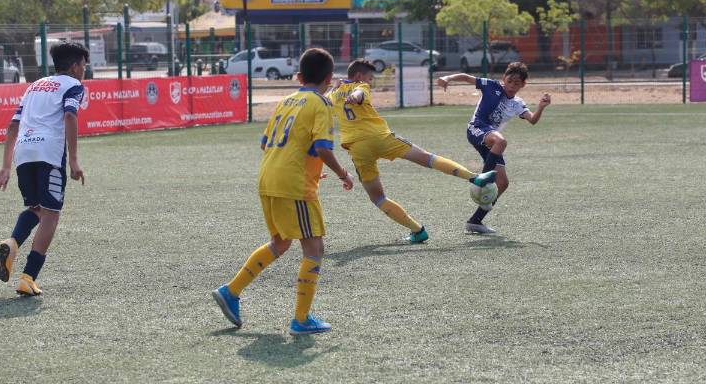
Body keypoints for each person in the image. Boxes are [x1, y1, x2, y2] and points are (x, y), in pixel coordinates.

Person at [212, 48, 354, 335]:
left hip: (268, 178)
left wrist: (309, 166)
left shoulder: (285, 100)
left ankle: (231, 291)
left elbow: (266, 144)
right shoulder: (322, 104)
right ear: (329, 79)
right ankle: (301, 320)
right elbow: (324, 148)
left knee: (280, 242)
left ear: (300, 76)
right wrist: (343, 174)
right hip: (293, 185)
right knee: (314, 248)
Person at [329, 59, 497, 244]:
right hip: (380, 138)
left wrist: (335, 88)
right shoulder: (360, 86)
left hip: (357, 148)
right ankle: (474, 177)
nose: (369, 82)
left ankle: (417, 231)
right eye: (370, 78)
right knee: (427, 158)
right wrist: (357, 95)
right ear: (360, 76)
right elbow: (360, 93)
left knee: (378, 198)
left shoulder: (335, 93)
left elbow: (327, 101)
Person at [0, 42, 87, 296]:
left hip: (24, 151)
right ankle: (28, 277)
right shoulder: (74, 86)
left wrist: (5, 166)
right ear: (74, 66)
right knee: (51, 214)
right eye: (83, 65)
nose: (84, 71)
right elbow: (70, 116)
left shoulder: (34, 86)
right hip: (50, 152)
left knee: (35, 208)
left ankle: (12, 243)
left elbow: (13, 126)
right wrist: (74, 160)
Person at [437, 62, 551, 234]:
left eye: (517, 83)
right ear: (503, 79)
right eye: (510, 81)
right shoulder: (491, 86)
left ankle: (475, 221)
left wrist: (541, 106)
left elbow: (532, 120)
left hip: (491, 142)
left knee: (503, 183)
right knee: (501, 142)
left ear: (523, 85)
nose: (512, 86)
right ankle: (483, 180)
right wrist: (448, 78)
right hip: (477, 128)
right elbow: (467, 77)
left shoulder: (518, 104)